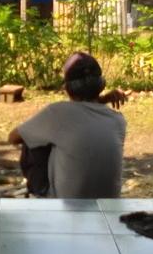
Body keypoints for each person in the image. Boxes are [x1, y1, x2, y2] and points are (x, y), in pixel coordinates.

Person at [8, 51, 127, 198]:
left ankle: (40, 194)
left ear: (67, 88)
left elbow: (13, 137)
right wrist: (102, 100)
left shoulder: (57, 113)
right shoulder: (118, 121)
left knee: (31, 139)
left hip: (66, 208)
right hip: (107, 208)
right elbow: (87, 113)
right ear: (101, 84)